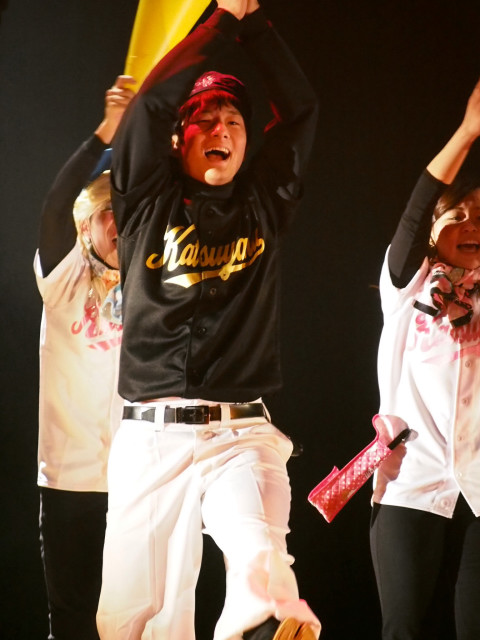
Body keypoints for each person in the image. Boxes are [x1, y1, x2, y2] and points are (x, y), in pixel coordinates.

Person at [96, 1, 320, 639]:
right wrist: (219, 20)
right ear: (178, 138)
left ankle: (268, 620)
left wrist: (253, 24)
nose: (221, 127)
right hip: (151, 439)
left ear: (249, 141)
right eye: (205, 118)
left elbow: (301, 111)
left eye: (234, 120)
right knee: (130, 619)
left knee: (260, 560)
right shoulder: (145, 197)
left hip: (239, 434)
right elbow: (148, 108)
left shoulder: (267, 200)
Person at [370, 77, 480, 640]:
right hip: (411, 479)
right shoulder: (406, 285)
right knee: (404, 629)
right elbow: (414, 214)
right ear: (434, 231)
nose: (472, 225)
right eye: (458, 215)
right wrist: (467, 133)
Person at [35, 75, 135, 640]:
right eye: (106, 214)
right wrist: (107, 132)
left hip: (137, 477)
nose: (118, 224)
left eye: (126, 212)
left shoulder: (153, 283)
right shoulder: (63, 274)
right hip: (69, 480)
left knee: (131, 622)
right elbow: (55, 203)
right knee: (73, 623)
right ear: (86, 224)